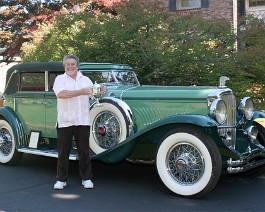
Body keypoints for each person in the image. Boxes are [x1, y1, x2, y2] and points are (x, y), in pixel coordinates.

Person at [53, 54, 106, 189]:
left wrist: (102, 91)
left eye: (72, 64)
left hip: (82, 120)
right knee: (63, 151)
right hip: (65, 120)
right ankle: (61, 180)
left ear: (77, 66)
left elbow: (93, 95)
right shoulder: (59, 79)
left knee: (84, 151)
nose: (70, 66)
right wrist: (81, 91)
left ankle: (86, 178)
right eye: (67, 64)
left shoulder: (86, 79)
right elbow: (61, 94)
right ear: (64, 66)